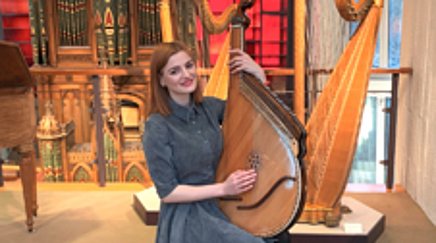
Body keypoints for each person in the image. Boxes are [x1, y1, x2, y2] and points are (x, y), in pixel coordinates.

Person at [142, 41, 282, 243]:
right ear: (161, 80)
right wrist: (224, 188)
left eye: (189, 66)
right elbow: (168, 192)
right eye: (175, 71)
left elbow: (252, 114)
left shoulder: (208, 107)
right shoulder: (157, 126)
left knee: (275, 233)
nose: (186, 74)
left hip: (221, 203)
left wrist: (259, 76)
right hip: (188, 214)